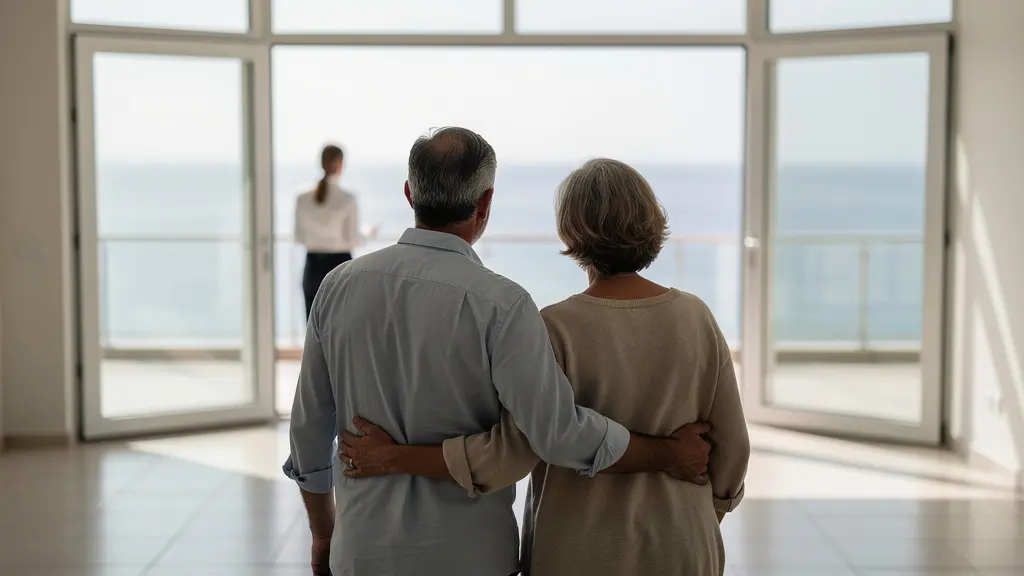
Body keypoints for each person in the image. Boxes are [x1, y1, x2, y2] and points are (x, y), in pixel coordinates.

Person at [282, 128, 713, 576]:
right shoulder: (503, 305)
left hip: (362, 554)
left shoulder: (338, 287)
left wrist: (323, 533)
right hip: (473, 557)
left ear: (410, 193)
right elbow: (556, 433)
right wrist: (664, 454)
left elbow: (309, 429)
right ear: (485, 204)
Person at [294, 143, 377, 319]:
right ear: (340, 164)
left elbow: (299, 237)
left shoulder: (302, 196)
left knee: (312, 326)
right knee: (342, 325)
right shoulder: (348, 198)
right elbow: (352, 239)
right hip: (340, 266)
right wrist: (367, 233)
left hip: (313, 267)